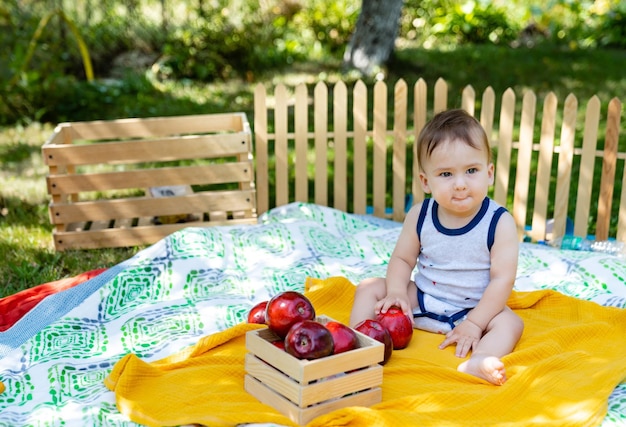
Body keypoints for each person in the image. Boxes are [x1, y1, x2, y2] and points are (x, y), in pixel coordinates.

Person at [349, 109, 524, 385]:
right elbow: (403, 260)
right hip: (423, 297)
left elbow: (502, 280)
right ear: (425, 182)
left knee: (511, 323)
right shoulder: (420, 215)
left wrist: (476, 323)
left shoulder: (498, 222)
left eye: (471, 171)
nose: (460, 184)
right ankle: (356, 343)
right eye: (446, 174)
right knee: (369, 287)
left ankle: (480, 359)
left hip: (475, 308)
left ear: (489, 174)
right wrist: (397, 292)